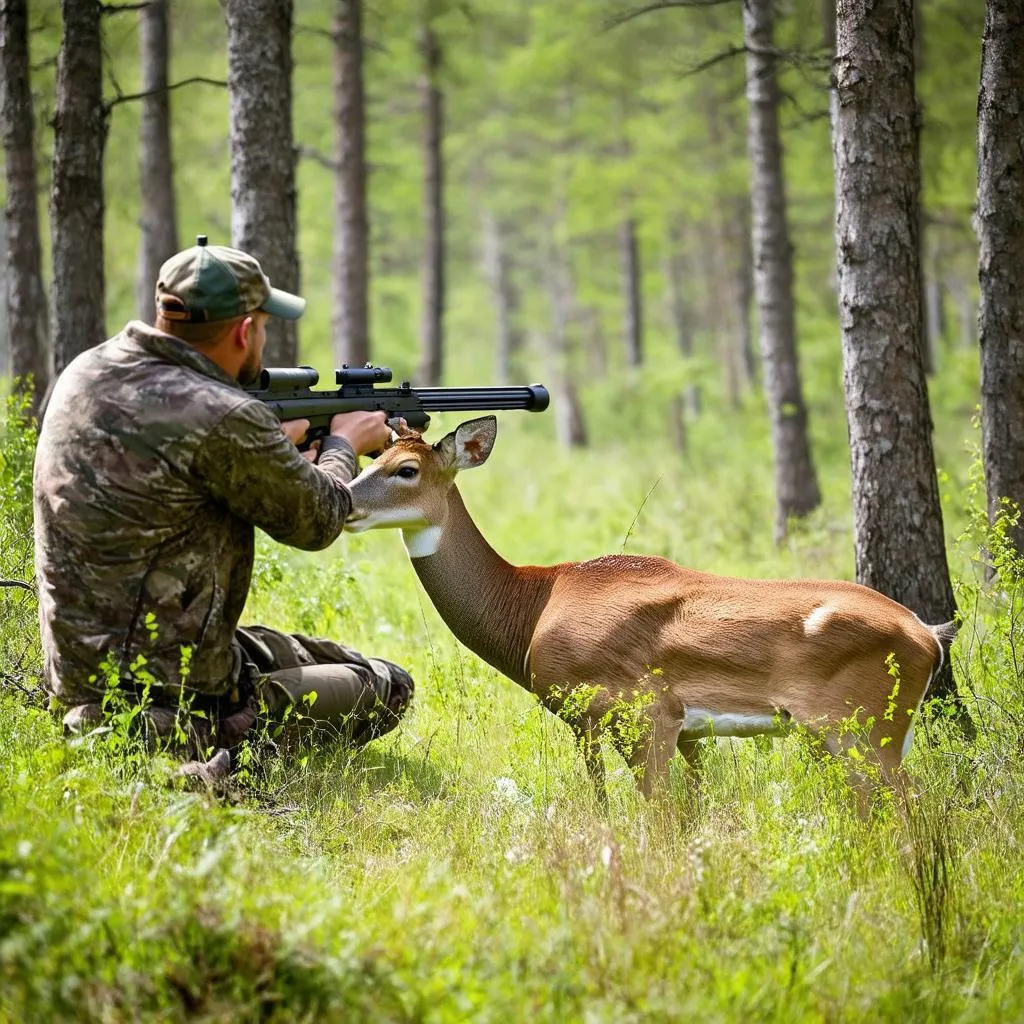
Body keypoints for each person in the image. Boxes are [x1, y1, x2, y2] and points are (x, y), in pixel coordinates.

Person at [33, 235, 414, 778]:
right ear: (243, 331)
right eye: (262, 325)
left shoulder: (86, 371)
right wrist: (344, 445)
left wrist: (277, 451)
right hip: (171, 696)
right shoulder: (223, 414)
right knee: (386, 685)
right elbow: (321, 520)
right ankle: (212, 758)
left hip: (77, 667)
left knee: (325, 659)